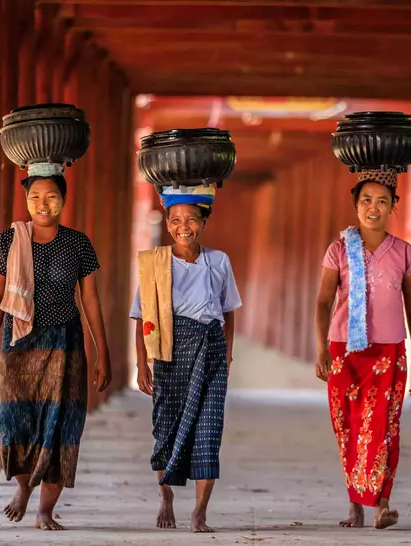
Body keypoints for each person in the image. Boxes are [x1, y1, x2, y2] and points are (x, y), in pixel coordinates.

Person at [0, 164, 111, 531]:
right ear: (26, 200)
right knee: (15, 421)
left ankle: (45, 510)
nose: (43, 204)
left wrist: (103, 352)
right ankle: (23, 486)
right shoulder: (9, 241)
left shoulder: (78, 243)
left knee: (63, 426)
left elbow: (90, 300)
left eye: (52, 196)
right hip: (19, 341)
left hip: (65, 342)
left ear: (63, 200)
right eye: (35, 196)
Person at [314, 169, 411, 530]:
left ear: (394, 205)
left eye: (381, 201)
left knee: (383, 427)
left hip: (389, 350)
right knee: (348, 427)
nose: (373, 208)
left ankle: (382, 504)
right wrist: (320, 350)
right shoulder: (338, 249)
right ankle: (355, 504)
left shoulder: (404, 251)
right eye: (366, 200)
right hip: (344, 350)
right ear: (355, 204)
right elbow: (323, 302)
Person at [130, 183, 242, 533]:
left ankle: (200, 512)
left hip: (209, 350)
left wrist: (226, 354)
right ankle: (166, 497)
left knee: (209, 430)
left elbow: (228, 311)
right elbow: (141, 317)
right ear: (166, 224)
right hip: (169, 352)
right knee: (166, 428)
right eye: (175, 220)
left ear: (203, 223)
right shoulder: (155, 264)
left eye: (191, 219)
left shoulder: (219, 261)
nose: (183, 227)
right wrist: (140, 363)